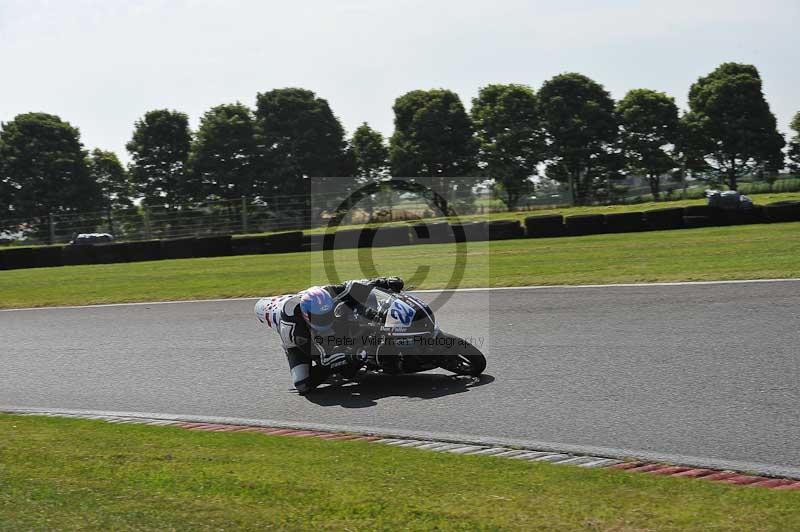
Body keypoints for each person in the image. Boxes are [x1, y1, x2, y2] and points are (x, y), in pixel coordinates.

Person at [254, 277, 404, 394]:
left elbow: (355, 286)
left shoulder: (328, 293)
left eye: (325, 314)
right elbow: (323, 358)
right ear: (306, 314)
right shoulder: (294, 329)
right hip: (298, 343)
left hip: (308, 302)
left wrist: (385, 282)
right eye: (319, 317)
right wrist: (353, 356)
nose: (323, 319)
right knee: (303, 384)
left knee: (350, 304)